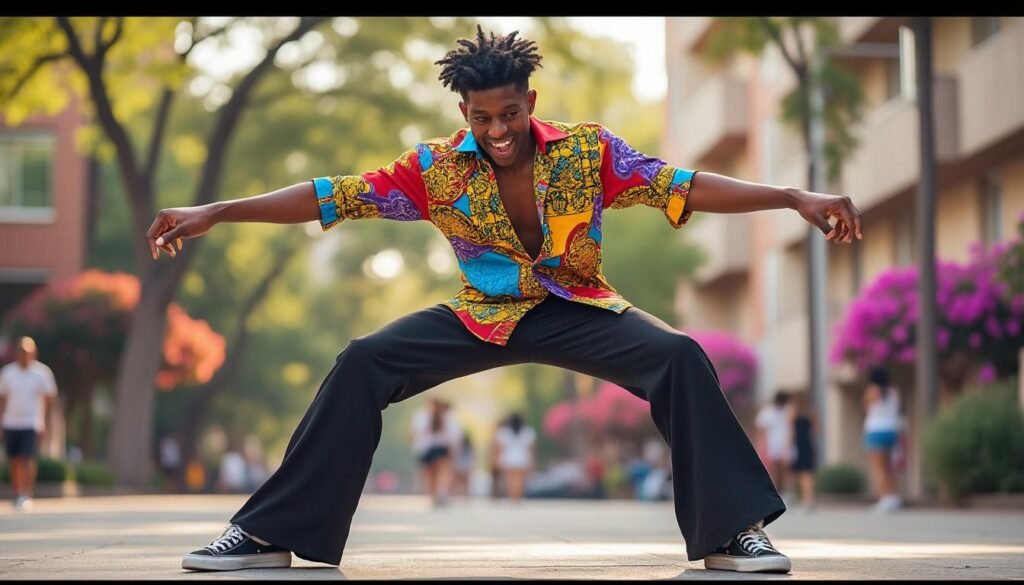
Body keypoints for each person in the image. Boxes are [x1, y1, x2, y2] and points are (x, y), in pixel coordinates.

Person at [153, 26, 862, 574]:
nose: (498, 130)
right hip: (480, 314)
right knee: (363, 360)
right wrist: (218, 209)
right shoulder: (433, 169)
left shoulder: (588, 152)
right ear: (464, 111)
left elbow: (682, 184)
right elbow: (332, 195)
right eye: (483, 117)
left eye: (510, 113)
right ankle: (271, 531)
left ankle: (732, 532)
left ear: (531, 103)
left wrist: (792, 196)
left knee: (678, 354)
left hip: (578, 307)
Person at [0, 336, 58, 511]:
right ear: (17, 353)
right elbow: (2, 399)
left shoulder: (42, 373)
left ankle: (26, 493)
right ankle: (17, 492)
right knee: (14, 459)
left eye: (28, 352)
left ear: (34, 353)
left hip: (31, 422)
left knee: (26, 458)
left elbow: (49, 400)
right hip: (11, 422)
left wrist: (47, 424)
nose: (24, 355)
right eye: (22, 351)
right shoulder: (8, 373)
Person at [863, 367, 903, 513]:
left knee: (879, 468)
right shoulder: (894, 390)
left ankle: (884, 498)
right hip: (891, 430)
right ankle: (893, 497)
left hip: (876, 430)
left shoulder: (872, 390)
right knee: (889, 467)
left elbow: (866, 407)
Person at [409, 398, 461, 507]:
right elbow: (454, 436)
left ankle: (433, 496)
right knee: (443, 472)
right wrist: (454, 451)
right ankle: (441, 494)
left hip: (426, 448)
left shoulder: (421, 416)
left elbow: (414, 433)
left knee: (431, 474)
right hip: (442, 447)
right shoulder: (448, 416)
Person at [755, 391, 793, 496]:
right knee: (774, 469)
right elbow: (761, 430)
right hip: (772, 444)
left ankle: (785, 491)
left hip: (784, 444)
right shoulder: (768, 412)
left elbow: (791, 429)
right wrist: (762, 446)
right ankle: (776, 491)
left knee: (784, 469)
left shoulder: (788, 411)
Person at [493, 412, 535, 503]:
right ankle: (517, 497)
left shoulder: (503, 432)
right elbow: (530, 449)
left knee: (510, 480)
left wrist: (497, 460)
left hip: (508, 459)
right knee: (519, 481)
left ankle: (512, 497)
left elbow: (499, 448)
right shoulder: (527, 432)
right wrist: (531, 462)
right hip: (522, 459)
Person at [787, 392, 818, 512]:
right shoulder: (811, 412)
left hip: (797, 445)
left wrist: (788, 447)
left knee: (797, 473)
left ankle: (799, 498)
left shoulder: (793, 411)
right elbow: (816, 429)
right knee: (808, 473)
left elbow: (791, 431)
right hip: (808, 443)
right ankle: (808, 499)